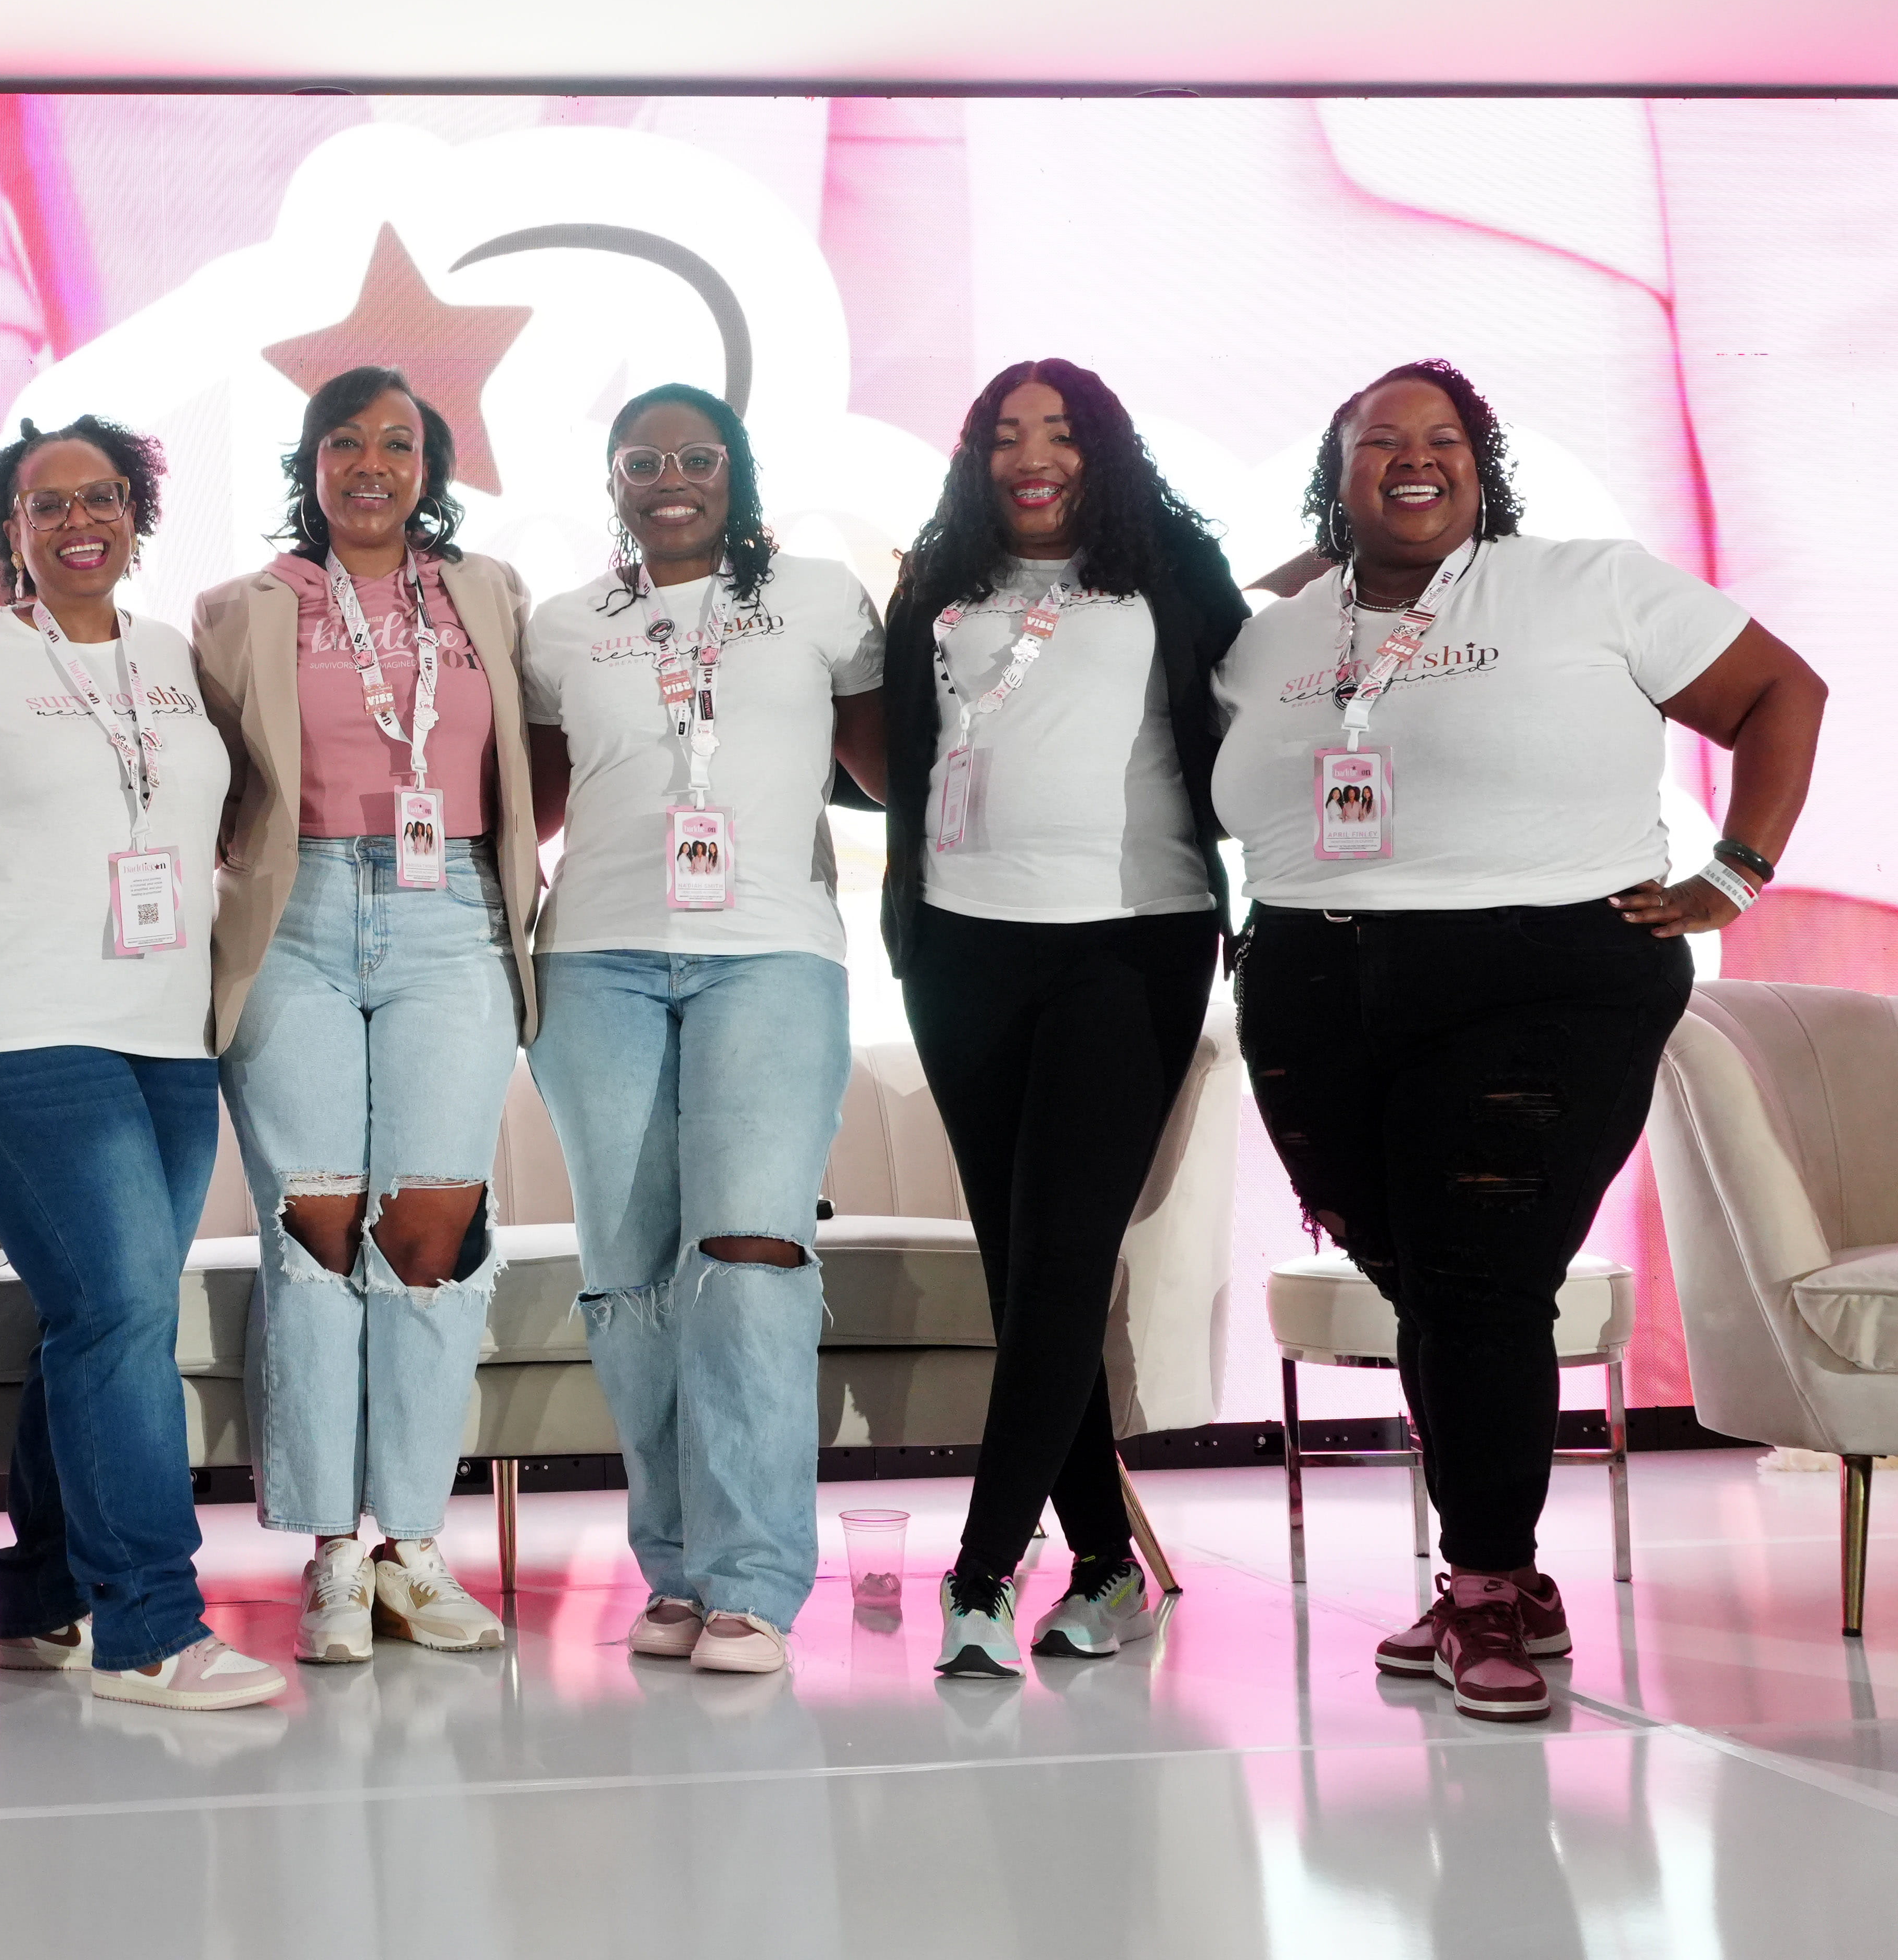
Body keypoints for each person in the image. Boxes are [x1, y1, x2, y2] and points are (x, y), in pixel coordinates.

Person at [1215, 358, 1825, 1723]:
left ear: (1486, 465)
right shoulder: (1269, 632)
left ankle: (1487, 1580)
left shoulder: (1585, 583)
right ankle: (1501, 1575)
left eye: (1445, 441)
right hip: (1316, 976)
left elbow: (1783, 692)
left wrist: (1732, 874)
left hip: (1546, 974)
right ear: (1335, 472)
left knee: (1482, 1280)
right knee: (1428, 1281)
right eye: (1380, 443)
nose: (1415, 461)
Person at [0, 414, 287, 1710]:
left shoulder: (175, 657)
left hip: (165, 1037)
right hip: (12, 1036)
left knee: (98, 1314)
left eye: (106, 494)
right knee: (124, 1308)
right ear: (8, 527)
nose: (81, 518)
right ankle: (151, 1625)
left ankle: (50, 1595)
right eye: (48, 500)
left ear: (138, 514)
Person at [878, 357, 1251, 1679]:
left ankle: (980, 1573)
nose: (1032, 456)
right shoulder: (937, 586)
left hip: (1130, 939)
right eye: (1003, 435)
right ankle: (1104, 1564)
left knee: (1064, 1263)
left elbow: (1262, 698)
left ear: (1104, 449)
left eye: (1061, 432)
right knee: (1030, 1272)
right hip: (962, 948)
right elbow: (898, 760)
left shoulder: (1172, 574)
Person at [521, 383, 888, 1675]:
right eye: (641, 461)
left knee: (749, 1258)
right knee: (630, 1277)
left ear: (737, 470)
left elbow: (893, 770)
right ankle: (673, 1566)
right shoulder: (563, 627)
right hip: (597, 961)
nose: (670, 478)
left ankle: (754, 1579)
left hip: (772, 955)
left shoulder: (826, 597)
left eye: (696, 457)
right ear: (611, 481)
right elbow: (535, 808)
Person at [192, 365, 539, 1664]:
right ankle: (331, 1549)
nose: (373, 465)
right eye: (348, 442)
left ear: (429, 467)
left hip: (451, 912)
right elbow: (212, 780)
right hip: (299, 918)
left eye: (400, 443)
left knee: (433, 1225)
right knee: (319, 1223)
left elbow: (526, 774)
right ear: (312, 460)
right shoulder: (242, 607)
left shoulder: (489, 597)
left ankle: (412, 1541)